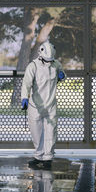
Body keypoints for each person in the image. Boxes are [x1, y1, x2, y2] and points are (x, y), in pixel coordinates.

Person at [21, 41, 65, 169]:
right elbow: (26, 83)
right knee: (37, 132)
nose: (49, 63)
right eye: (47, 60)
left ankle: (48, 157)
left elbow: (61, 73)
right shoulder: (33, 66)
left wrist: (62, 75)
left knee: (51, 132)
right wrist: (24, 97)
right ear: (41, 55)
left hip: (51, 104)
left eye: (51, 60)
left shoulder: (56, 64)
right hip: (36, 105)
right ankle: (38, 155)